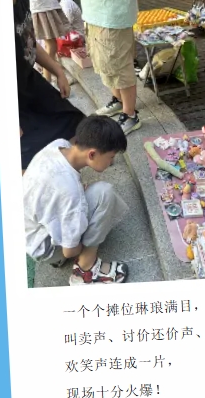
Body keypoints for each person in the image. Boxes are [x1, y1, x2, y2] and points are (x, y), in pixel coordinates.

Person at [23, 116, 130, 286]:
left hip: (31, 234)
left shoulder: (59, 145)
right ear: (92, 154)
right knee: (104, 193)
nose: (111, 162)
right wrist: (81, 244)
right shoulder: (69, 193)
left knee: (85, 198)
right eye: (110, 157)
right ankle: (85, 270)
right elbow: (69, 250)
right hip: (46, 247)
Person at [15, 0, 85, 172]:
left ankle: (67, 177)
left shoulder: (22, 3)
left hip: (28, 79)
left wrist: (58, 71)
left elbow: (30, 42)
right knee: (24, 152)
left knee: (74, 121)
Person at [81, 0, 141, 135]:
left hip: (113, 14)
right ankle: (118, 101)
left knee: (119, 65)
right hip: (94, 14)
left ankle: (130, 116)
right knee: (105, 61)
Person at [29, 0, 70, 84]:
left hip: (46, 7)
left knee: (51, 46)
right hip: (42, 8)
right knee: (51, 46)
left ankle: (49, 79)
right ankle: (48, 80)